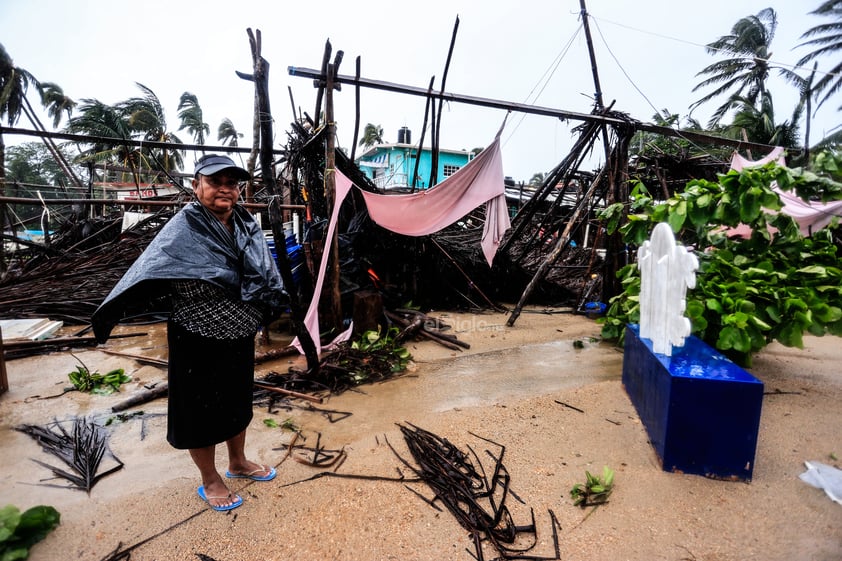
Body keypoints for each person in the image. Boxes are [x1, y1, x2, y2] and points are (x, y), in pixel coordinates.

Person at [92, 154, 287, 512]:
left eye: (232, 183)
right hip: (197, 336)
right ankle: (210, 479)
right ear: (197, 185)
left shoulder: (246, 224)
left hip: (240, 333)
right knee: (200, 412)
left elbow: (264, 271)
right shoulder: (183, 228)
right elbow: (154, 269)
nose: (225, 189)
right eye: (216, 182)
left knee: (237, 401)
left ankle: (238, 462)